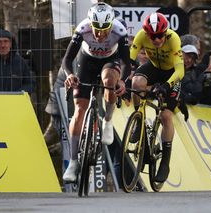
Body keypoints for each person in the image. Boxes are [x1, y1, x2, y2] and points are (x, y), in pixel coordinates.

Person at [62, 2, 130, 182]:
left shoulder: (119, 30)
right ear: (91, 24)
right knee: (79, 110)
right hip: (87, 61)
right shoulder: (82, 29)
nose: (100, 35)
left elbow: (126, 63)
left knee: (109, 81)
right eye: (96, 30)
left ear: (111, 25)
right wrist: (70, 75)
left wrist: (122, 80)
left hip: (110, 60)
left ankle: (107, 120)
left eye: (105, 30)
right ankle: (74, 162)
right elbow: (67, 60)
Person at [129, 12, 185, 182]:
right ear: (146, 33)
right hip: (153, 67)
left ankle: (165, 162)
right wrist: (124, 78)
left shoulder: (173, 39)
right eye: (152, 36)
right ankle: (139, 120)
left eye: (160, 36)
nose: (156, 40)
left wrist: (167, 85)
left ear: (165, 33)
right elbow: (130, 60)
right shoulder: (141, 36)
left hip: (171, 74)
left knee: (165, 115)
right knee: (136, 83)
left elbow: (180, 70)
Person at [0, 29, 35, 94]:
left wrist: (18, 94)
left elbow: (30, 83)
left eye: (6, 41)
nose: (3, 45)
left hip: (14, 102)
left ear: (11, 44)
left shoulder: (20, 61)